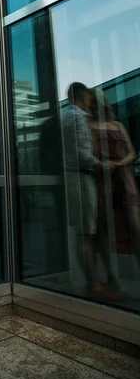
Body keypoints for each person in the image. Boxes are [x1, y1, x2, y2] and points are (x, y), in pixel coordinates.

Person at [89, 87, 140, 292]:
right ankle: (111, 276)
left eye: (95, 101)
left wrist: (119, 164)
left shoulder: (117, 124)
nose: (92, 105)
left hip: (122, 177)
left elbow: (132, 152)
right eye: (90, 101)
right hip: (100, 178)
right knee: (102, 230)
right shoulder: (87, 126)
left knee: (136, 226)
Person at [62, 82, 107, 295]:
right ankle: (93, 283)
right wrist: (103, 164)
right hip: (81, 178)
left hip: (76, 178)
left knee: (86, 232)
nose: (90, 101)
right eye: (88, 96)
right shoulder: (77, 117)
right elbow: (82, 153)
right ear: (80, 95)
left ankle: (92, 280)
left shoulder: (68, 115)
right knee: (86, 233)